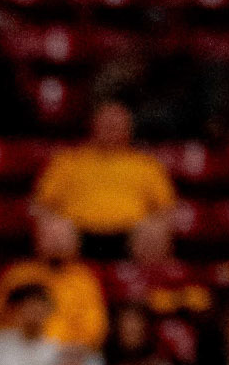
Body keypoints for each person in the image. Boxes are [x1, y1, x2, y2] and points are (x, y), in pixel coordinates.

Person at [32, 101, 177, 264]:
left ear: (128, 128)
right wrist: (53, 222)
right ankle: (64, 285)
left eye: (116, 124)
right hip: (78, 233)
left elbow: (166, 209)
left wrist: (155, 224)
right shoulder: (67, 161)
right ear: (94, 125)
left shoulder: (147, 165)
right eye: (106, 123)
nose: (111, 128)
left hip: (129, 234)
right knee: (54, 229)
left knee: (155, 231)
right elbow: (42, 205)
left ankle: (148, 285)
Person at [0, 213, 108, 351]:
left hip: (67, 355)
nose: (57, 243)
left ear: (76, 242)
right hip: (20, 352)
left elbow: (95, 330)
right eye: (51, 236)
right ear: (37, 239)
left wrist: (61, 351)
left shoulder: (85, 280)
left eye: (62, 237)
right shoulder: (19, 276)